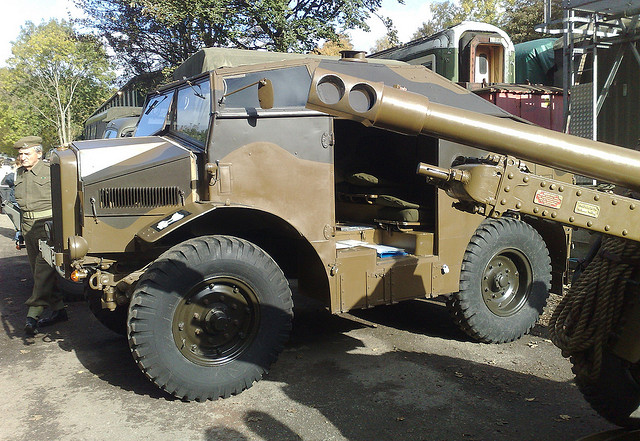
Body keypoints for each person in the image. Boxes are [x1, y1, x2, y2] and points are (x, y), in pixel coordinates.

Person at [14, 136, 67, 335]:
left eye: (27, 153)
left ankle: (32, 315)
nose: (22, 157)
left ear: (39, 153)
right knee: (37, 269)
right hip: (28, 227)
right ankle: (59, 310)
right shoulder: (19, 173)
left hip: (48, 226)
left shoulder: (51, 170)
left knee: (42, 272)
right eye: (20, 154)